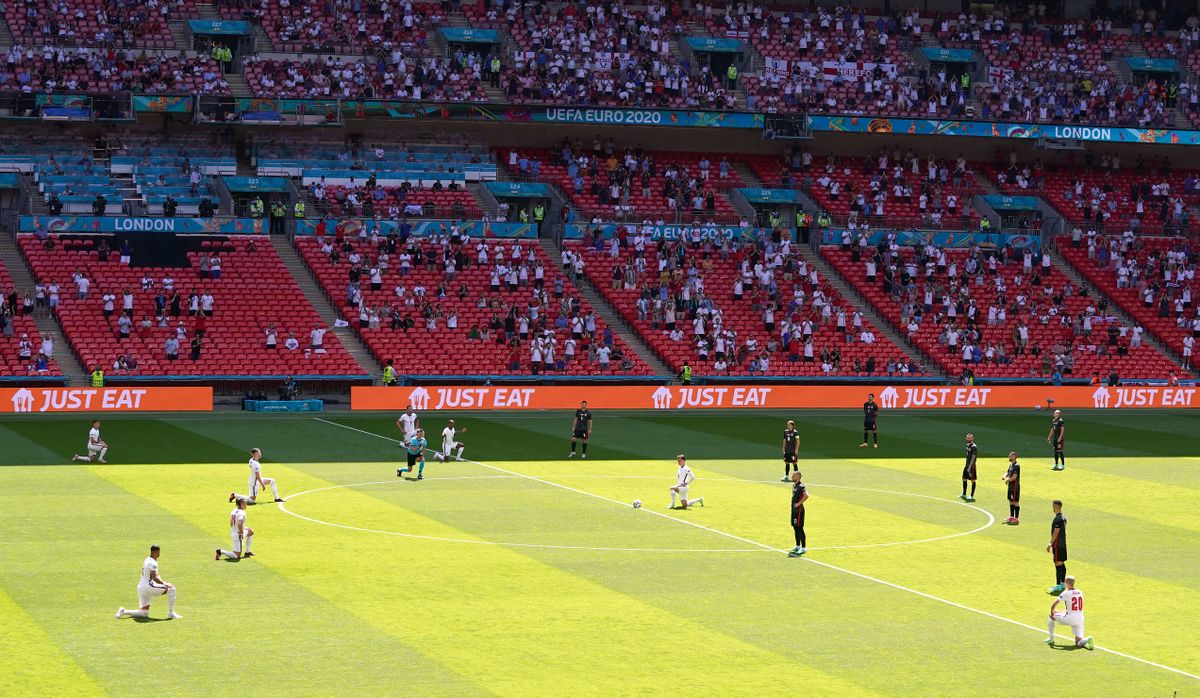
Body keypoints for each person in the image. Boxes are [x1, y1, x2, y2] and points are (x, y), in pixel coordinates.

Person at [115, 544, 181, 620]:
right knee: (172, 589)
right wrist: (165, 583)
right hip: (148, 587)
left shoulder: (147, 559)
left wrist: (162, 581)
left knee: (143, 613)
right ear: (157, 552)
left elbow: (156, 575)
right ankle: (171, 613)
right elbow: (154, 577)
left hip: (141, 588)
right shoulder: (153, 563)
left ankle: (124, 611)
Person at [1046, 575, 1093, 649]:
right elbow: (1072, 608)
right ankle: (1087, 639)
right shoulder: (1080, 592)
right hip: (1080, 619)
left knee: (1050, 616)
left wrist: (1053, 613)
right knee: (1078, 643)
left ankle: (1051, 639)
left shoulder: (1065, 593)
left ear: (1067, 583)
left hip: (1070, 618)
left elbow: (1053, 605)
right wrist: (1060, 612)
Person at [1047, 500, 1069, 594]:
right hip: (1063, 544)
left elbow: (1056, 532)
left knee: (1058, 563)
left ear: (1055, 507)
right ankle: (1062, 584)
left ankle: (1059, 585)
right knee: (1061, 563)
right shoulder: (1063, 517)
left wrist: (1050, 543)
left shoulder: (1058, 519)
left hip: (1058, 545)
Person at [788, 470, 810, 557]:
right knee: (795, 528)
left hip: (799, 511)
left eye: (793, 475)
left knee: (800, 528)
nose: (792, 477)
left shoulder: (801, 486)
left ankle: (804, 547)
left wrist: (799, 503)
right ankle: (797, 545)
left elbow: (807, 495)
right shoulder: (795, 485)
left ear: (798, 477)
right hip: (794, 510)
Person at [1002, 451, 1021, 524]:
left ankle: (1016, 518)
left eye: (1010, 455)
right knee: (1011, 501)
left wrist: (1007, 480)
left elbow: (1014, 477)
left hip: (1015, 487)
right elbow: (1007, 472)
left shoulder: (1016, 465)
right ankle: (1011, 517)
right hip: (1011, 486)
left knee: (1015, 501)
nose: (1009, 456)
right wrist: (1004, 476)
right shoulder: (1011, 465)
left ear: (1014, 457)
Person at [961, 433, 978, 502]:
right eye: (967, 438)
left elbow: (973, 458)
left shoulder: (974, 447)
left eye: (969, 438)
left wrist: (969, 467)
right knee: (964, 478)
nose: (968, 439)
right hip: (967, 465)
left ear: (972, 439)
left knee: (972, 480)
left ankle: (971, 495)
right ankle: (964, 494)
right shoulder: (968, 445)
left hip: (972, 466)